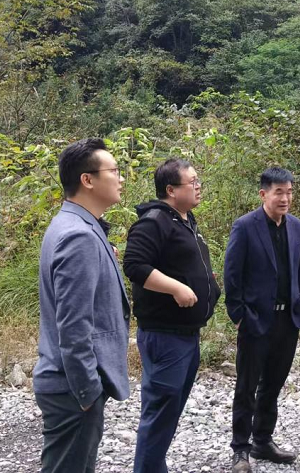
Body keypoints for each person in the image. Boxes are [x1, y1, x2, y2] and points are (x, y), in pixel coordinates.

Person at [33, 138, 131, 473]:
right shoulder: (79, 236)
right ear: (87, 180)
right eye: (114, 171)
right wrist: (88, 391)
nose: (121, 178)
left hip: (69, 385)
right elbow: (74, 326)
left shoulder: (75, 225)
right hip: (72, 388)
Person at [123, 158, 221, 473]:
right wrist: (177, 288)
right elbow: (134, 265)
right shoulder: (154, 221)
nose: (198, 186)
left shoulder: (185, 220)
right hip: (165, 336)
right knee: (160, 413)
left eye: (198, 180)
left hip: (187, 334)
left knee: (169, 413)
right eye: (192, 182)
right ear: (170, 190)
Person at [224, 167, 300, 473]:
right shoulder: (245, 226)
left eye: (289, 192)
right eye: (279, 192)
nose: (285, 198)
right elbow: (232, 274)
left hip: (288, 320)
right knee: (247, 386)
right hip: (255, 320)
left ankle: (262, 440)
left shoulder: (297, 227)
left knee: (273, 384)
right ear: (264, 194)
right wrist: (238, 315)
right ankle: (240, 449)